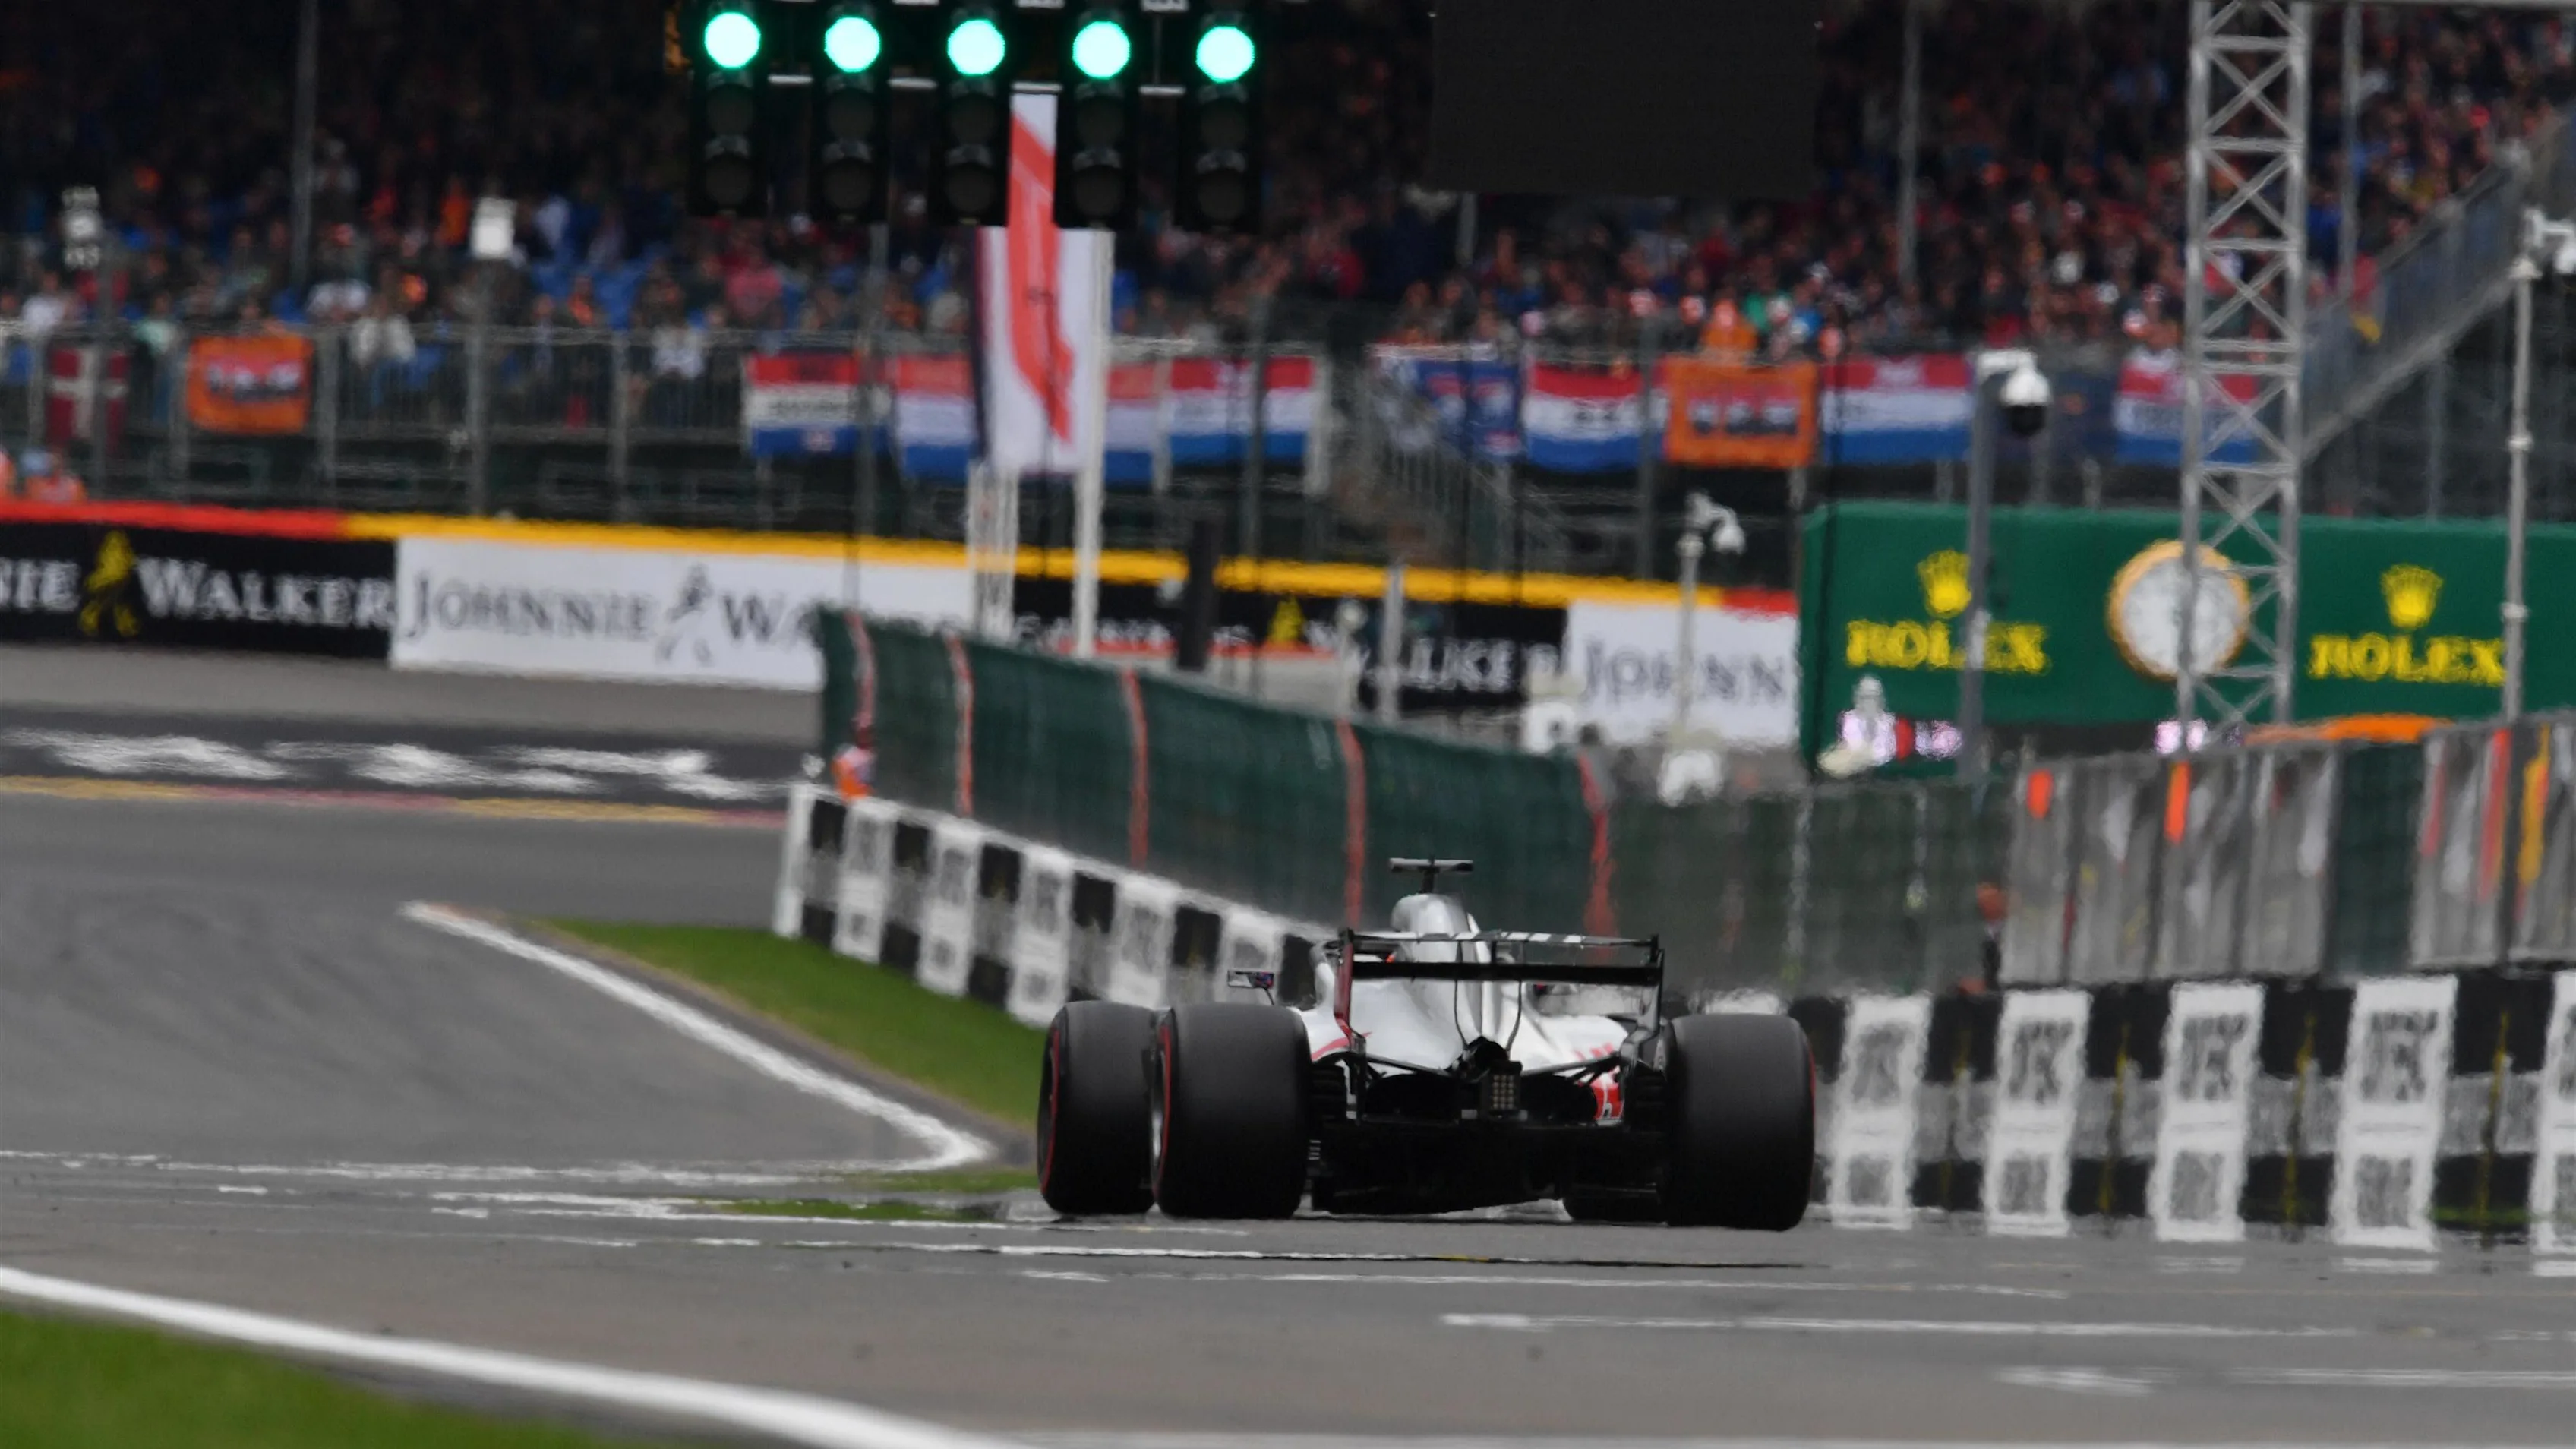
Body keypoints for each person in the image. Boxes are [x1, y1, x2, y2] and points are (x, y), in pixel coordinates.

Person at [20, 449, 88, 504]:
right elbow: (31, 504)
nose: (54, 468)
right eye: (52, 465)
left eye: (57, 465)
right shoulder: (37, 485)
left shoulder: (72, 486)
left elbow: (79, 504)